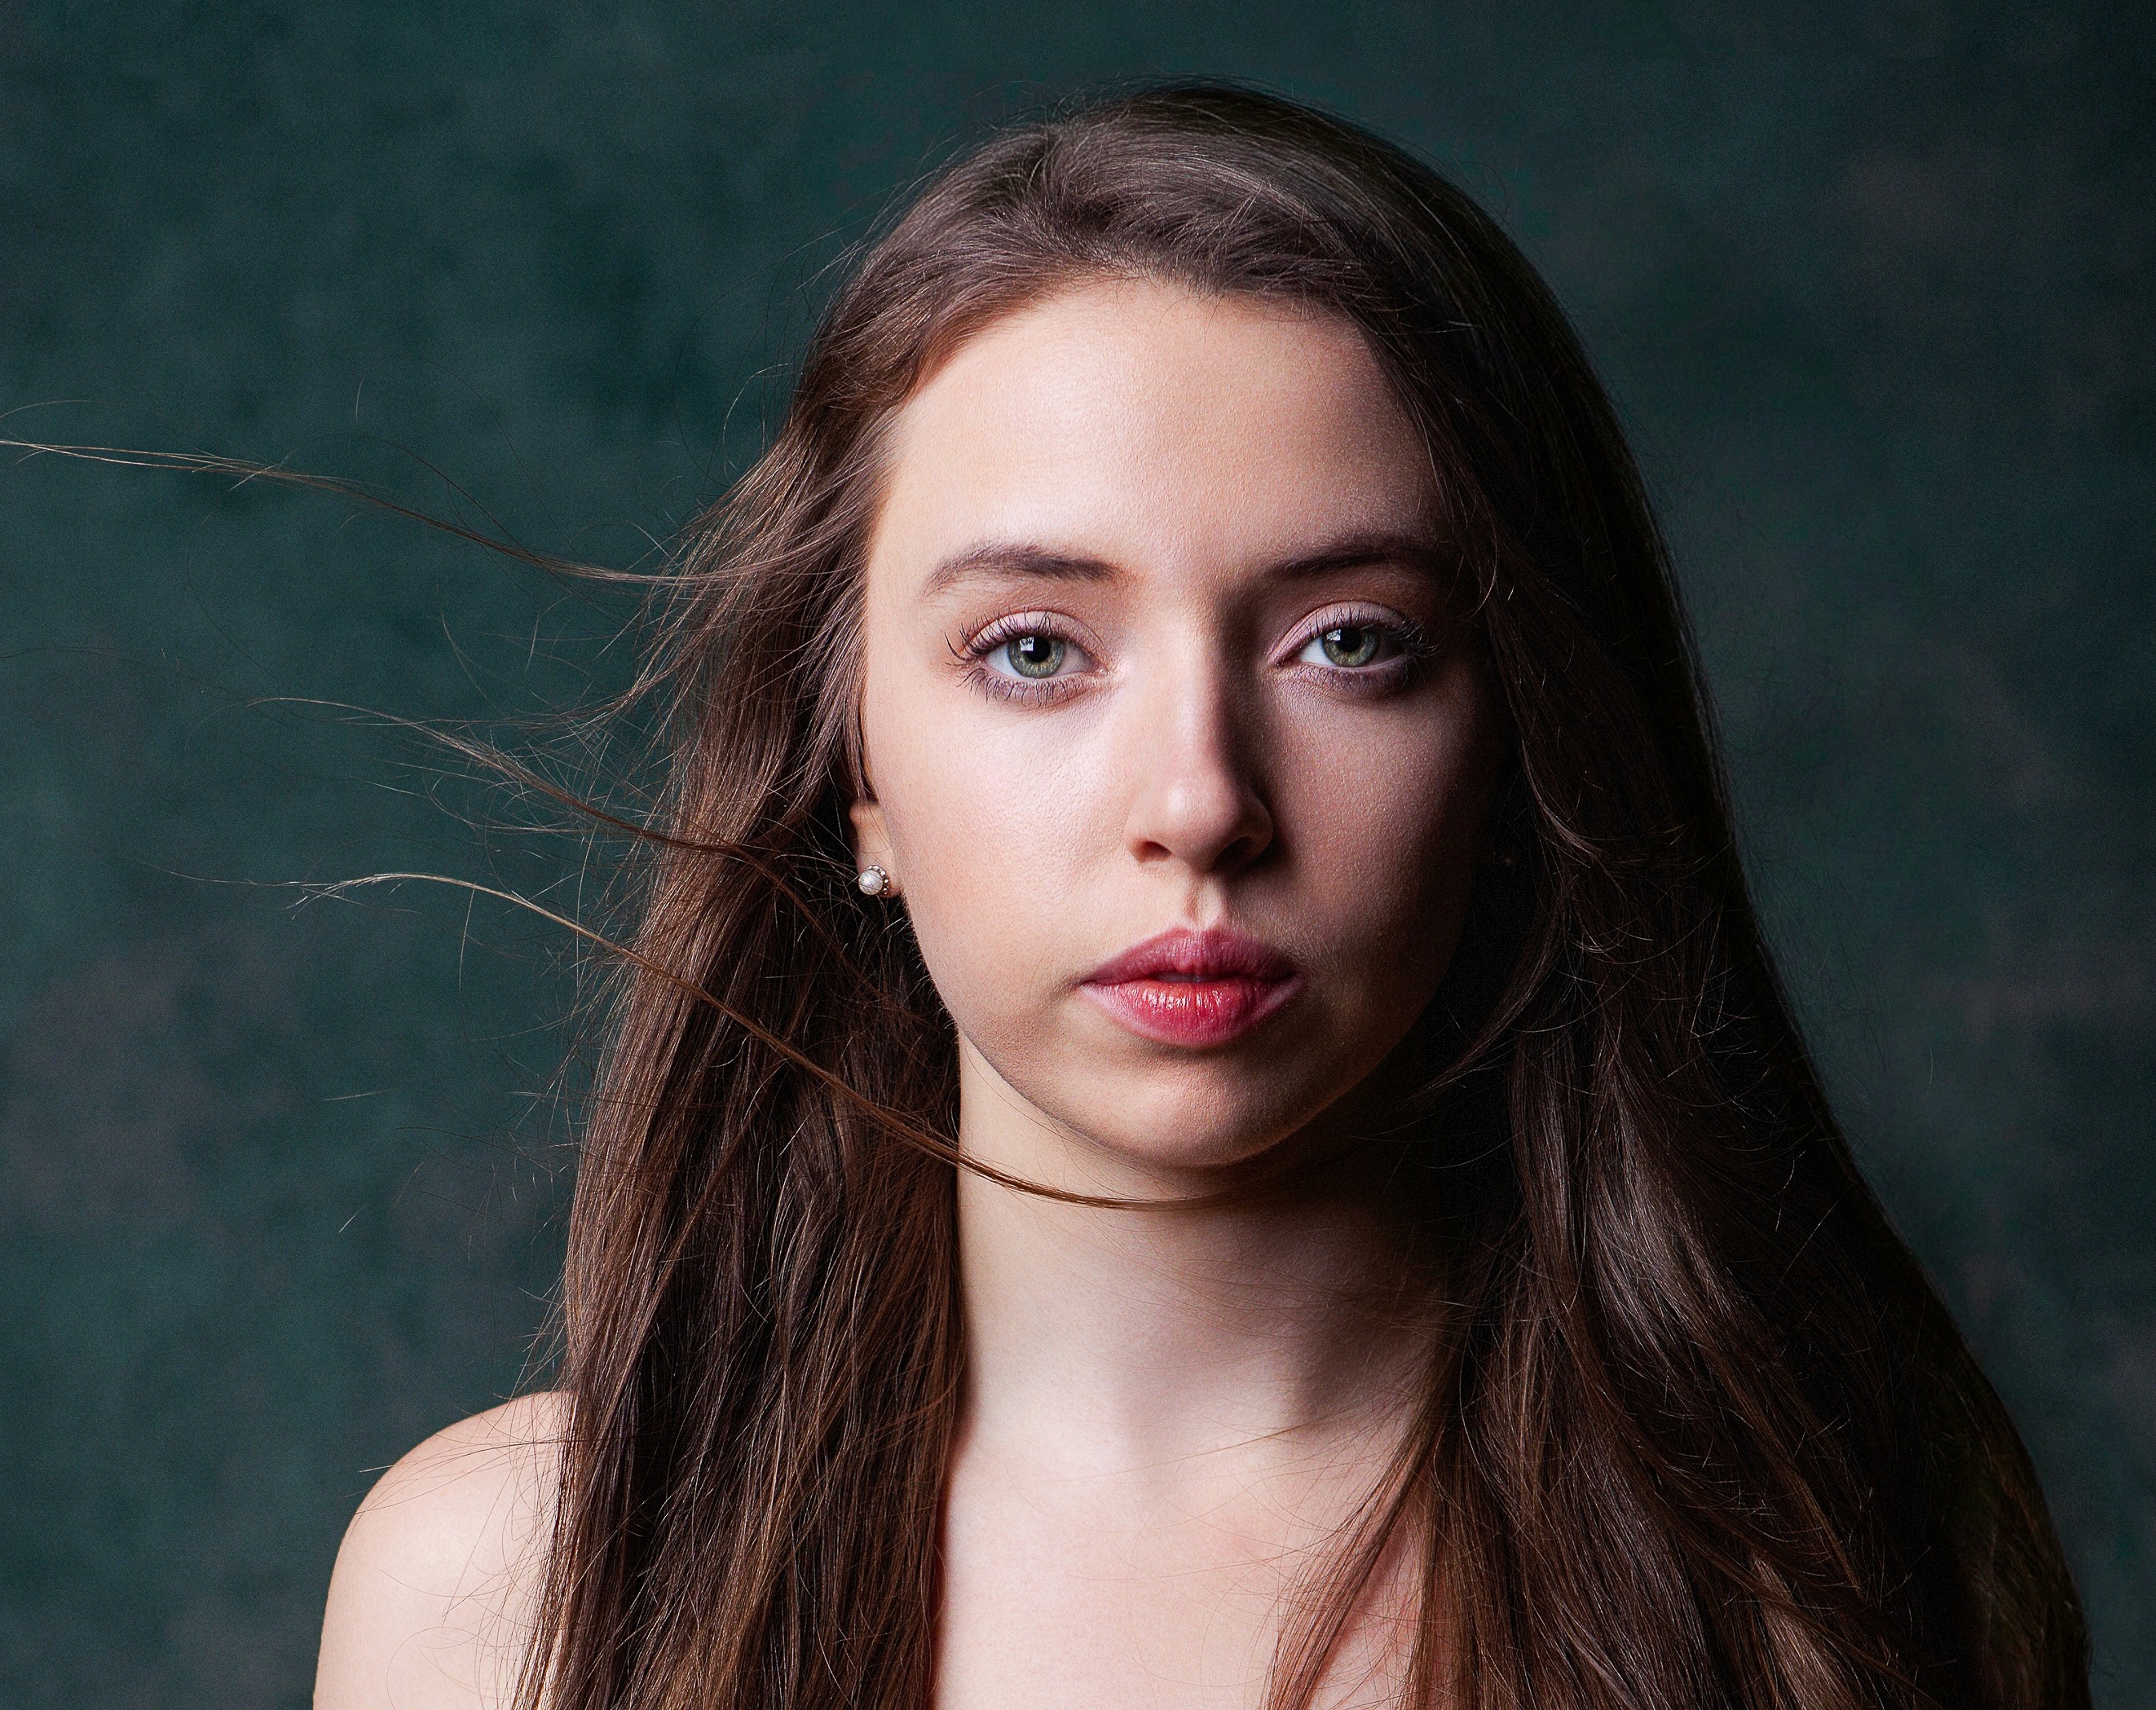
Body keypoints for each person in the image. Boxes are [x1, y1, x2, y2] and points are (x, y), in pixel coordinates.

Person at [309, 86, 2091, 1710]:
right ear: (856, 772)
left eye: (1351, 645)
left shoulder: (1832, 1574)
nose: (1200, 803)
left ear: (1519, 753)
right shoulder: (506, 1599)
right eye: (1033, 649)